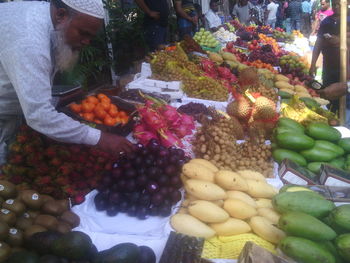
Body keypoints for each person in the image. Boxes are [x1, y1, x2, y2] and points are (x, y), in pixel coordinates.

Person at [0, 0, 134, 166]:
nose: (87, 42)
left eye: (91, 36)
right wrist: (100, 138)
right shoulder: (29, 42)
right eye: (83, 33)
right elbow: (39, 114)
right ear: (61, 15)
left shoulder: (48, 17)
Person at [309, 0, 344, 111]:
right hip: (329, 66)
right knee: (328, 95)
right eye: (334, 4)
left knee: (343, 98)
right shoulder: (326, 22)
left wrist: (341, 41)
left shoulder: (347, 21)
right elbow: (318, 43)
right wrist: (313, 64)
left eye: (339, 4)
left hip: (345, 69)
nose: (336, 7)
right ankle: (332, 115)